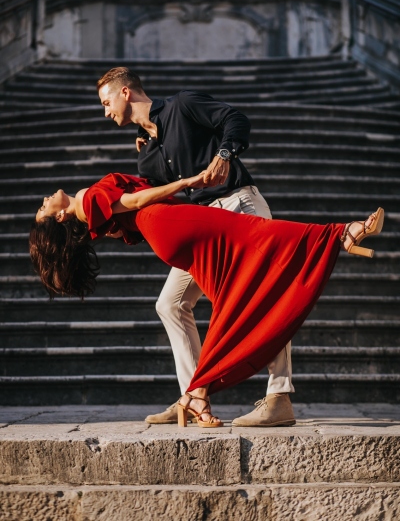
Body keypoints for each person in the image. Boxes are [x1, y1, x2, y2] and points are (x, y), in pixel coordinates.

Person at [30, 172, 384, 428]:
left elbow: (132, 202)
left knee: (227, 295)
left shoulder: (91, 213)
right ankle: (342, 232)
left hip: (165, 232)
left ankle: (196, 395)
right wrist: (187, 182)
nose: (44, 200)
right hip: (170, 221)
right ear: (60, 217)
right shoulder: (89, 200)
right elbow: (137, 200)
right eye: (44, 209)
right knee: (257, 235)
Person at [96, 66, 296, 428]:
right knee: (170, 304)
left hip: (239, 203)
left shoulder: (182, 105)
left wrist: (224, 153)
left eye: (107, 102)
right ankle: (192, 394)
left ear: (126, 93)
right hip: (205, 227)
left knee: (264, 295)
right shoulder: (147, 156)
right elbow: (164, 205)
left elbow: (236, 119)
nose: (106, 111)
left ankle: (279, 396)